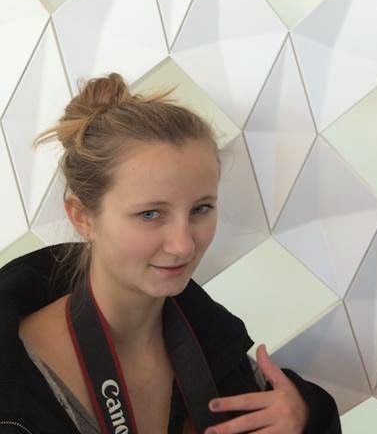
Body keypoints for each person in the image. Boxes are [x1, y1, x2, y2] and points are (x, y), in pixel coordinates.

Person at [0, 73, 341, 434]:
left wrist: (308, 418)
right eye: (150, 214)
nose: (183, 245)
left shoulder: (217, 348)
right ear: (82, 216)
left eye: (200, 209)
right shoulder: (13, 380)